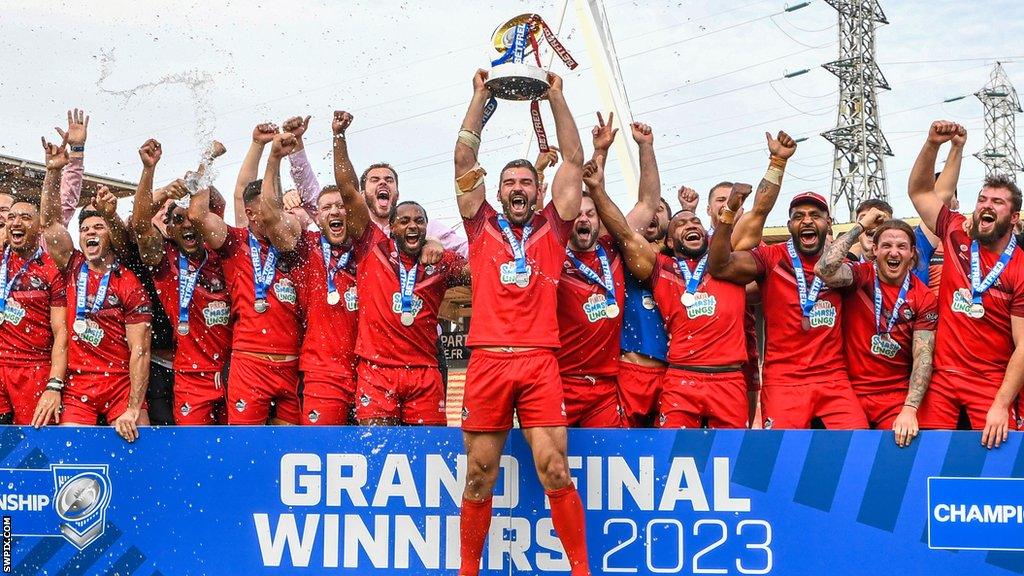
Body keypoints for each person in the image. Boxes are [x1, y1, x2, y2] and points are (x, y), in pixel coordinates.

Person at [454, 69, 591, 576]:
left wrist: (557, 97)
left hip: (538, 361)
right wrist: (478, 99)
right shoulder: (479, 223)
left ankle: (581, 570)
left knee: (554, 468)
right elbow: (465, 158)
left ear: (537, 190)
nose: (516, 188)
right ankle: (469, 570)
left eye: (525, 182)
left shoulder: (554, 226)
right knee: (478, 475)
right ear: (500, 189)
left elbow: (574, 160)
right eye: (509, 182)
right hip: (488, 359)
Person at [586, 160, 749, 428]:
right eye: (681, 224)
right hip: (679, 377)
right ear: (669, 243)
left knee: (731, 460)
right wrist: (596, 190)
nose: (690, 224)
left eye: (695, 220)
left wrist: (775, 166)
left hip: (729, 378)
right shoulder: (661, 268)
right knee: (671, 454)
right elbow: (624, 232)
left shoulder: (727, 267)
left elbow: (751, 225)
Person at [707, 187, 867, 429]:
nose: (807, 221)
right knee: (783, 458)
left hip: (832, 378)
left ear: (828, 223)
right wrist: (728, 213)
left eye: (815, 215)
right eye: (798, 216)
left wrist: (859, 228)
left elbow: (831, 269)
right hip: (783, 379)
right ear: (789, 224)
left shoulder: (841, 267)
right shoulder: (772, 257)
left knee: (858, 447)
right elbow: (720, 266)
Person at [908, 120, 1024, 448]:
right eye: (983, 199)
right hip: (941, 378)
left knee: (1000, 461)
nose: (987, 205)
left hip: (990, 381)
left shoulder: (1019, 269)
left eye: (997, 202)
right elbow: (919, 192)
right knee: (925, 459)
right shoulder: (957, 231)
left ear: (1013, 217)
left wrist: (1001, 404)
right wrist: (933, 144)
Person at [39, 138, 152, 442]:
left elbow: (140, 351)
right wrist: (53, 173)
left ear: (111, 236)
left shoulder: (128, 282)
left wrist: (132, 407)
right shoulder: (73, 266)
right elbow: (49, 225)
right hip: (79, 386)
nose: (89, 232)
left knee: (141, 441)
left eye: (98, 227)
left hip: (119, 385)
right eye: (85, 229)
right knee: (69, 454)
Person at [188, 139, 304, 425]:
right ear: (250, 215)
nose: (277, 217)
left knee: (288, 454)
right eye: (268, 211)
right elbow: (197, 215)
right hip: (250, 365)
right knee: (244, 447)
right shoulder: (235, 242)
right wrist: (207, 160)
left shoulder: (293, 245)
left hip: (291, 366)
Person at [255, 120, 363, 426]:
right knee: (323, 456)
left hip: (369, 371)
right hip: (322, 375)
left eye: (341, 206)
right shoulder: (307, 248)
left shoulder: (367, 247)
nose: (335, 212)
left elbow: (352, 190)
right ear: (318, 215)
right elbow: (270, 215)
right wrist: (274, 157)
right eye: (326, 207)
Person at [815, 211, 938, 446]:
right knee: (848, 453)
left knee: (898, 453)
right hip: (848, 391)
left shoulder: (923, 297)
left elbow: (923, 355)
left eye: (902, 246)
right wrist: (859, 226)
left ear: (912, 253)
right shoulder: (861, 276)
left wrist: (910, 409)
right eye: (886, 245)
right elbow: (824, 269)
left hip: (894, 396)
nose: (894, 252)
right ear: (874, 251)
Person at [699, 132, 798, 424]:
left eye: (732, 200)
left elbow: (764, 290)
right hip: (691, 350)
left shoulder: (750, 247)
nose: (727, 203)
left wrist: (777, 162)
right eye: (720, 199)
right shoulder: (688, 244)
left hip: (739, 344)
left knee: (738, 430)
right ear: (708, 208)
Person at [130, 139, 231, 425]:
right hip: (191, 378)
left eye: (191, 218)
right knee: (195, 458)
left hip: (233, 373)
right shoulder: (165, 262)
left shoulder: (225, 251)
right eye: (177, 219)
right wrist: (149, 170)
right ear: (170, 229)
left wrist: (206, 162)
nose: (187, 224)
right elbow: (140, 225)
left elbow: (208, 202)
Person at [593, 115, 669, 429]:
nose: (653, 217)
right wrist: (602, 153)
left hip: (674, 374)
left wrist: (646, 146)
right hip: (629, 370)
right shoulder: (618, 249)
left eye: (663, 213)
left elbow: (652, 201)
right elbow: (645, 201)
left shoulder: (686, 262)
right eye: (649, 215)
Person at [0, 192, 68, 428]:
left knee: (32, 451)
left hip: (33, 370)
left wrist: (54, 385)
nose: (16, 222)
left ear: (39, 229)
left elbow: (62, 333)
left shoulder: (50, 269)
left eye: (26, 217)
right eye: (11, 217)